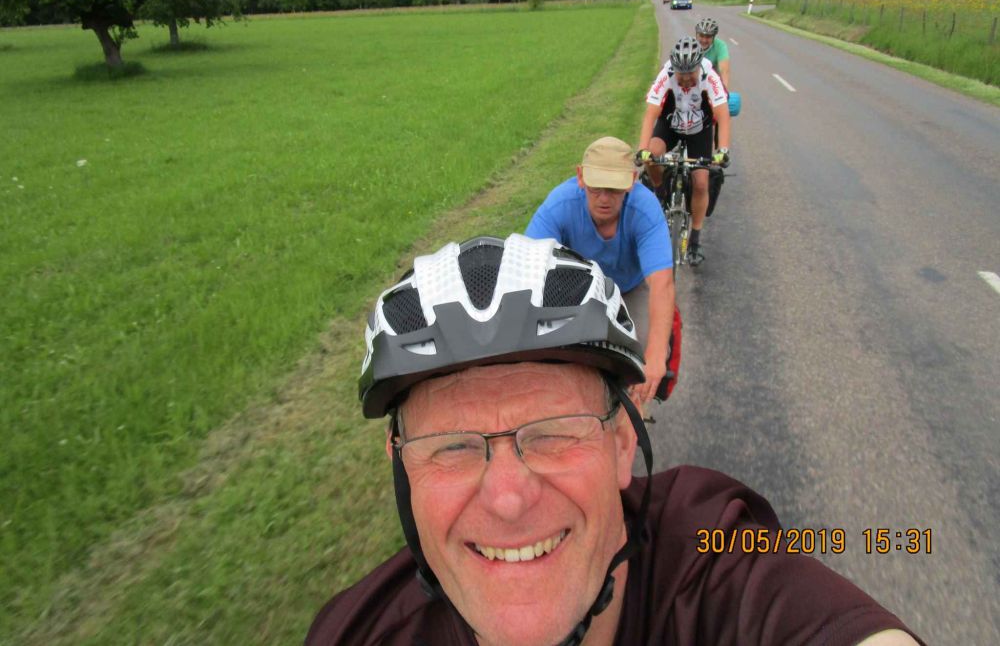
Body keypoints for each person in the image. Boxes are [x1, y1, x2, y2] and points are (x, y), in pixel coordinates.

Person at [305, 234, 925, 646]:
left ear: (624, 441)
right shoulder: (356, 632)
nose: (508, 499)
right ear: (402, 469)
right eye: (452, 446)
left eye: (554, 434)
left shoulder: (710, 562)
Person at [524, 136, 675, 404]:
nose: (604, 199)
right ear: (580, 177)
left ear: (632, 180)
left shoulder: (646, 209)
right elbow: (528, 268)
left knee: (640, 360)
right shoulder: (559, 206)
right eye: (595, 189)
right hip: (578, 292)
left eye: (614, 189)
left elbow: (661, 284)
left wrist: (655, 355)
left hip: (630, 288)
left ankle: (633, 417)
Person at [638, 36, 731, 266]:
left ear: (699, 66)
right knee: (652, 154)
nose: (687, 78)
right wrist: (642, 150)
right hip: (670, 124)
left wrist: (723, 150)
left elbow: (722, 115)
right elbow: (651, 114)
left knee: (701, 181)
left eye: (691, 72)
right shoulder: (666, 73)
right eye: (682, 73)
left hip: (700, 129)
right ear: (674, 68)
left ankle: (695, 239)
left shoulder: (710, 76)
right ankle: (660, 192)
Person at [696, 17, 730, 90]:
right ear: (697, 35)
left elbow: (724, 71)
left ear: (714, 37)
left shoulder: (720, 46)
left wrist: (725, 92)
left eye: (708, 37)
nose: (704, 40)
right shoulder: (690, 45)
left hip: (713, 82)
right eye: (701, 36)